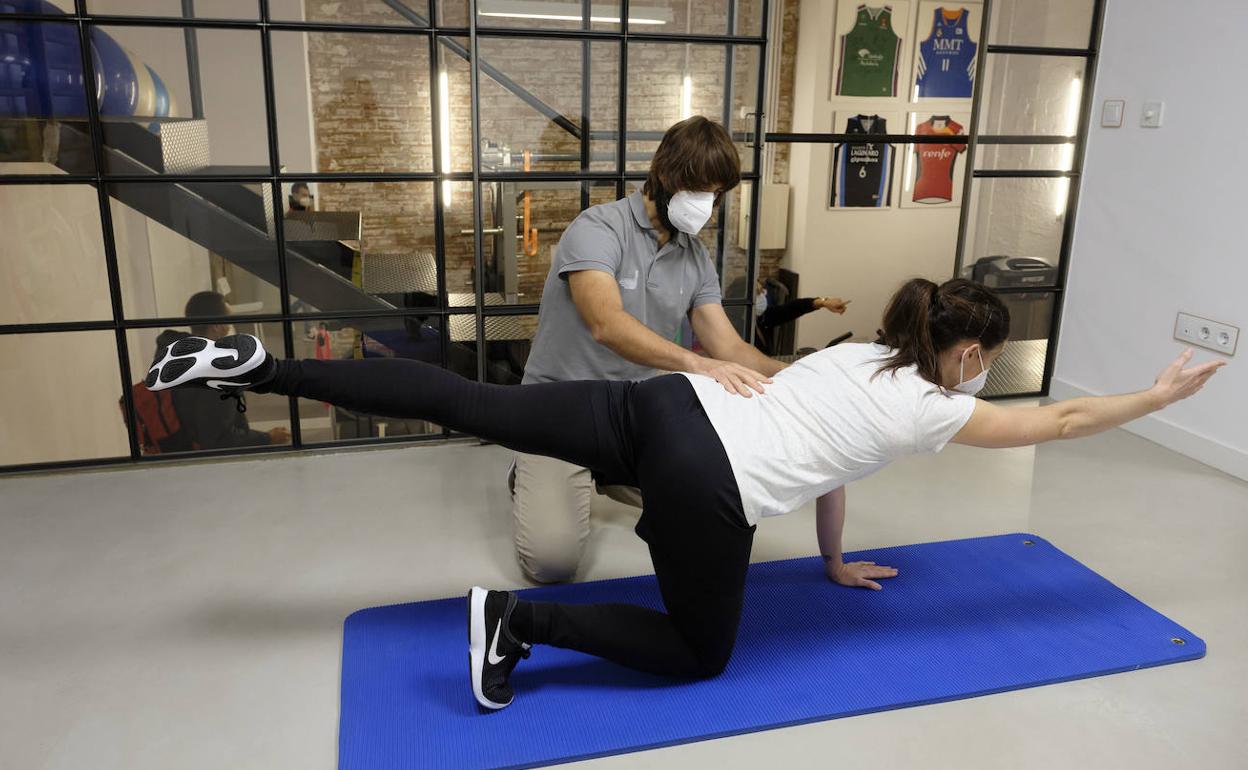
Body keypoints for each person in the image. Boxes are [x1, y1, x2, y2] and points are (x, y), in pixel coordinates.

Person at [143, 277, 1224, 710]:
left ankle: (255, 365)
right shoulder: (938, 408)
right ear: (971, 350)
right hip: (706, 474)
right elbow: (1068, 419)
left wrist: (837, 559)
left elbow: (831, 461)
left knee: (467, 400)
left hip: (663, 409)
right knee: (701, 652)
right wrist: (1158, 393)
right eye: (989, 356)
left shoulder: (861, 358)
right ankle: (514, 622)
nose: (989, 373)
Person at [513, 115, 787, 584]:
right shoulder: (598, 228)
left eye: (716, 194)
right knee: (551, 564)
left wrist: (795, 374)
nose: (707, 205)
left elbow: (729, 345)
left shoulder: (695, 256)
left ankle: (607, 473)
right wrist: (695, 362)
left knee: (718, 506)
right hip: (562, 405)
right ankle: (529, 474)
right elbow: (606, 324)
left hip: (635, 412)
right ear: (664, 174)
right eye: (698, 189)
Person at [151, 291, 290, 450]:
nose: (230, 327)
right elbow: (219, 439)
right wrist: (267, 438)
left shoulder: (174, 354)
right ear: (217, 326)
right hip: (202, 461)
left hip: (177, 449)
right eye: (229, 321)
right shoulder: (215, 372)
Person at [752, 276, 851, 356]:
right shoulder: (742, 332)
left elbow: (792, 308)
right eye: (759, 293)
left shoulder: (763, 318)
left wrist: (824, 302)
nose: (763, 294)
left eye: (762, 291)